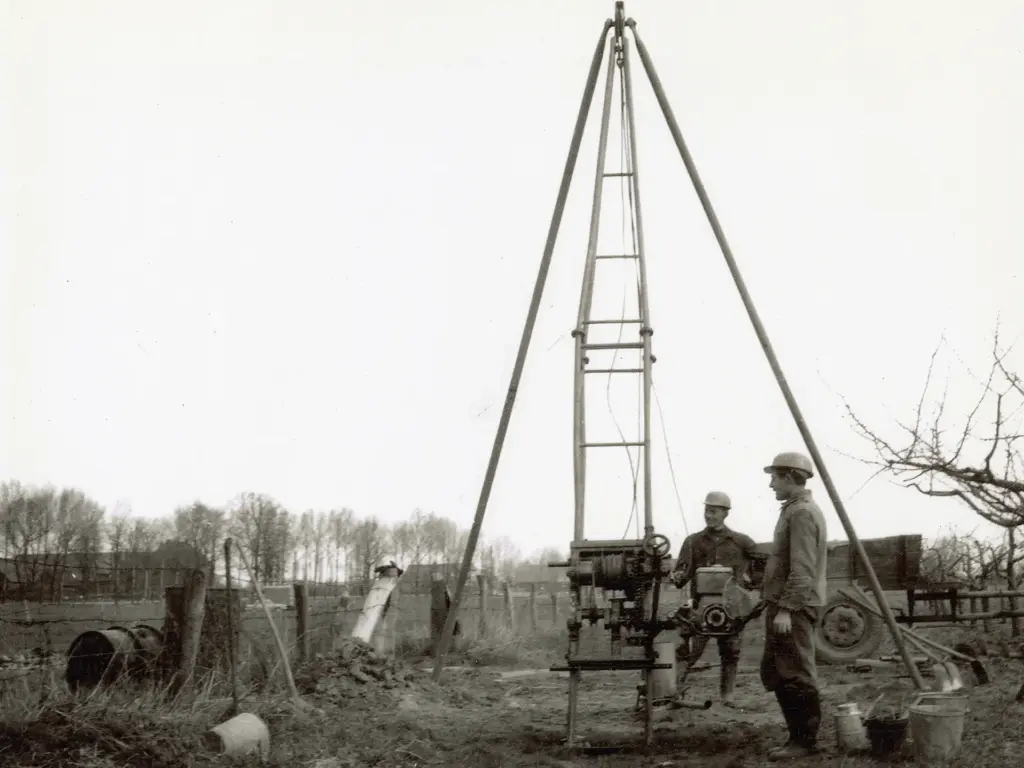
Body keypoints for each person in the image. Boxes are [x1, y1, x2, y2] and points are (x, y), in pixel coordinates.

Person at [759, 451, 828, 761]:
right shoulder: (793, 511)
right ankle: (797, 737)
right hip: (786, 605)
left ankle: (805, 742)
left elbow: (802, 569)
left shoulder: (801, 513)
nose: (771, 484)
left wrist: (786, 608)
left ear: (789, 477)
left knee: (796, 671)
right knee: (778, 671)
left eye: (775, 477)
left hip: (795, 607)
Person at [670, 490, 758, 707]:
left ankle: (727, 697)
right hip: (700, 611)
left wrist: (749, 581)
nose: (709, 515)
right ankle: (673, 694)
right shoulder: (693, 542)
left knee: (731, 653)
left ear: (725, 513)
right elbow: (681, 574)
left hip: (731, 609)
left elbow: (765, 564)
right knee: (688, 652)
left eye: (714, 511)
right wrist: (676, 575)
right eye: (707, 511)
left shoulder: (741, 542)